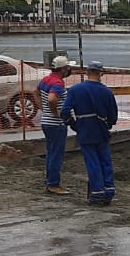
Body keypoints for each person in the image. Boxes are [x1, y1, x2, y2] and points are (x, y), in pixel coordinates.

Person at [61, 61, 118, 205]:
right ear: (101, 73)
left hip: (85, 130)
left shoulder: (75, 90)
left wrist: (74, 124)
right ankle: (109, 190)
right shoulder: (107, 92)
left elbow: (65, 111)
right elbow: (113, 116)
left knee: (92, 162)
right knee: (105, 161)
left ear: (87, 72)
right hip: (102, 130)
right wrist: (108, 124)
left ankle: (97, 192)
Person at [38, 55, 73, 195]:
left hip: (46, 122)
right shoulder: (58, 83)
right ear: (63, 69)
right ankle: (53, 184)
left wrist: (42, 108)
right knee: (56, 154)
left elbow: (36, 92)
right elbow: (52, 99)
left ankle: (49, 180)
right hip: (56, 124)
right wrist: (57, 113)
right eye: (68, 67)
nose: (69, 70)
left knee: (51, 152)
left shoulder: (46, 79)